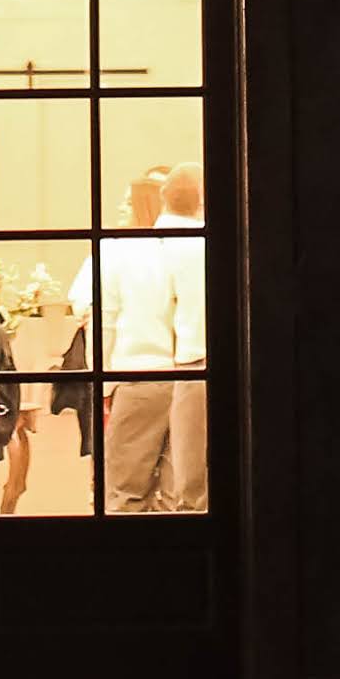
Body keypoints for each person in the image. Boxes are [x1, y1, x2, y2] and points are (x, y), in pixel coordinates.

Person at [101, 164, 208, 514]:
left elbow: (106, 319)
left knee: (126, 489)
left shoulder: (130, 251)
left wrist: (102, 382)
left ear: (163, 199)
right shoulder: (207, 245)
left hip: (143, 370)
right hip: (191, 367)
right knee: (183, 493)